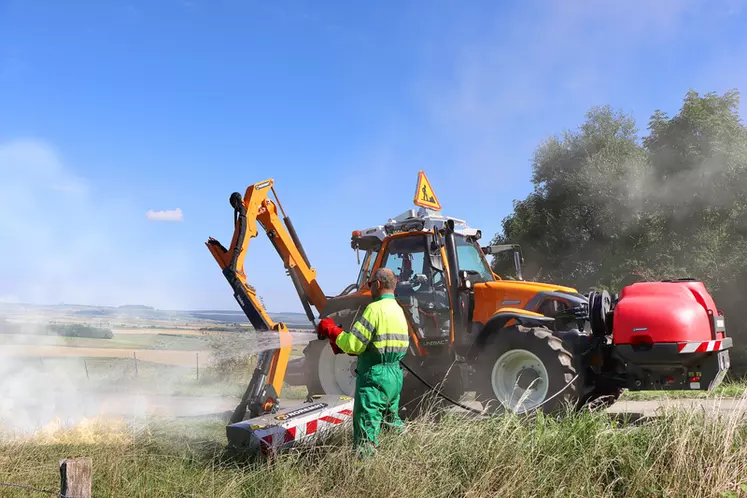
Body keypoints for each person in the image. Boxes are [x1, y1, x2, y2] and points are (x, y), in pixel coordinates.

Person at [317, 267, 410, 457]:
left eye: (369, 285)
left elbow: (354, 345)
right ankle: (406, 456)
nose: (369, 289)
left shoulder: (374, 309)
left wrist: (332, 331)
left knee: (366, 431)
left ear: (377, 284)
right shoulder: (399, 310)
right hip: (394, 375)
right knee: (390, 423)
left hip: (374, 378)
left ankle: (363, 472)